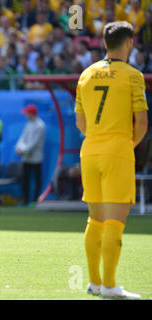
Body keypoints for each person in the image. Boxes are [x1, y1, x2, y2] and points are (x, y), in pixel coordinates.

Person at [75, 21, 148, 299]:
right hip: (117, 151)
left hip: (89, 150)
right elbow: (141, 124)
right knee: (115, 222)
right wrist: (125, 144)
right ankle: (110, 286)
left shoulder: (86, 74)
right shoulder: (133, 75)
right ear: (129, 42)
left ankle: (95, 283)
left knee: (95, 220)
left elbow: (80, 121)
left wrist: (97, 136)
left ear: (105, 43)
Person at [15, 104, 45, 205]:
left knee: (37, 179)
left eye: (27, 113)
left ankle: (36, 199)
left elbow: (34, 142)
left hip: (36, 157)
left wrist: (23, 150)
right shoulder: (29, 124)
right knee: (25, 179)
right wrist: (19, 148)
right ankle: (26, 199)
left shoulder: (40, 125)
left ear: (31, 113)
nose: (26, 115)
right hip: (26, 158)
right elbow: (23, 138)